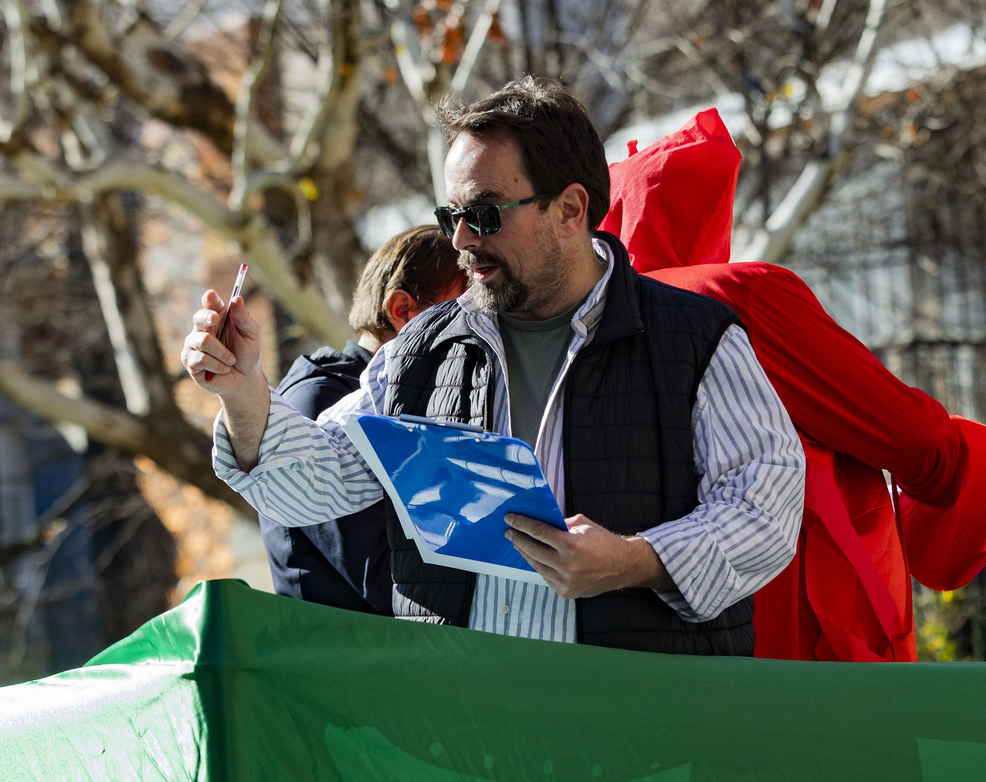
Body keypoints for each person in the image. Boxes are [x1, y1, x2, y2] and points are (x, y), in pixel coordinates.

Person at [181, 76, 805, 656]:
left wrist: (638, 559)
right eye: (450, 217)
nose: (459, 241)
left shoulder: (695, 339)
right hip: (461, 730)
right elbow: (319, 482)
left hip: (640, 733)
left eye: (481, 214)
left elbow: (768, 509)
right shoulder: (423, 349)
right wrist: (242, 395)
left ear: (569, 210)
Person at [599, 107, 986, 661]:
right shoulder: (736, 294)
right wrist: (976, 474)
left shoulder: (583, 322)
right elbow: (911, 438)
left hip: (643, 638)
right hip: (785, 628)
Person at [259, 225, 466, 614]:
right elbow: (384, 577)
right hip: (343, 659)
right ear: (402, 310)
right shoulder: (320, 399)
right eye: (457, 315)